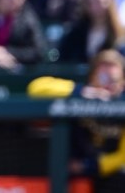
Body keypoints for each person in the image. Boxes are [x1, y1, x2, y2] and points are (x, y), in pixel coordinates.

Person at [27, 49, 125, 192]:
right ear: (92, 77)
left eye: (113, 81)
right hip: (69, 171)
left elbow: (122, 156)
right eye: (103, 78)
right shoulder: (81, 94)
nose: (107, 87)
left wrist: (88, 165)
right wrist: (80, 92)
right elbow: (35, 88)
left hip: (108, 173)